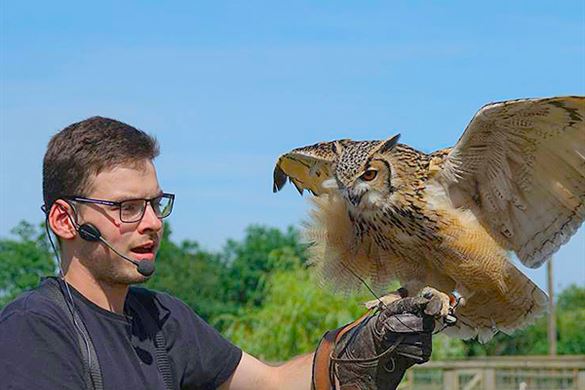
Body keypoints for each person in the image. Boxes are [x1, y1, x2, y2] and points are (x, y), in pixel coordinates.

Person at [0, 117, 436, 389]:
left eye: (155, 203)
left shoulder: (162, 319)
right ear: (64, 220)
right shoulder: (35, 332)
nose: (152, 222)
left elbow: (270, 383)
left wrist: (360, 345)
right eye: (127, 208)